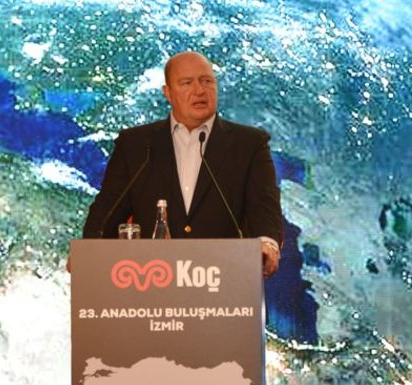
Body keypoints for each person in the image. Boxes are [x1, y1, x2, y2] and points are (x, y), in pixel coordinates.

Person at [82, 51, 283, 277]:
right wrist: (89, 251)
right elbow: (107, 209)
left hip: (226, 280)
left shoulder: (250, 144)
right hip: (150, 281)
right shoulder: (136, 145)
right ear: (167, 93)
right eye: (187, 83)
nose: (199, 90)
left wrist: (268, 243)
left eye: (206, 81)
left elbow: (264, 206)